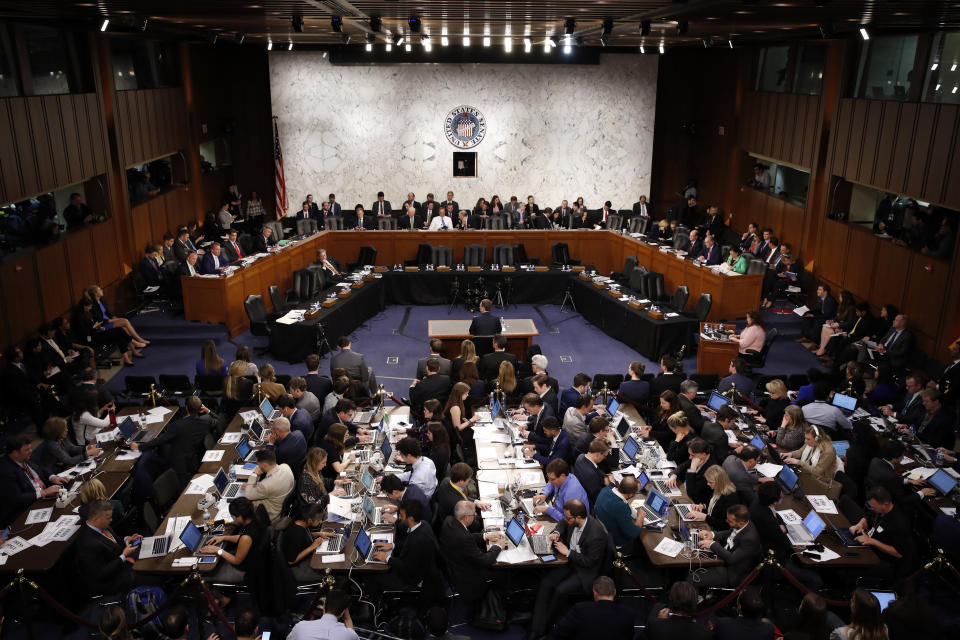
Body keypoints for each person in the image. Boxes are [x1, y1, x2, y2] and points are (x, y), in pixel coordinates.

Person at [529, 500, 609, 639]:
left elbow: (589, 562)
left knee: (560, 591)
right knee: (546, 583)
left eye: (568, 518)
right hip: (570, 561)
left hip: (584, 571)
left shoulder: (596, 535)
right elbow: (562, 523)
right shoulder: (574, 520)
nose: (566, 520)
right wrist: (557, 533)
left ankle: (546, 628)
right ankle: (537, 628)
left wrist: (568, 552)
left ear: (578, 517)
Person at [129, 396, 218, 485]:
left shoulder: (177, 425)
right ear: (200, 408)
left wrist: (139, 446)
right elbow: (217, 419)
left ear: (186, 407)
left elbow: (160, 440)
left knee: (151, 455)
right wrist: (207, 410)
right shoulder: (206, 420)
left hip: (178, 464)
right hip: (193, 459)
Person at [201, 497, 270, 601]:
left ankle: (223, 599)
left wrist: (217, 550)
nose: (233, 519)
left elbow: (236, 560)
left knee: (205, 574)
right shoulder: (255, 519)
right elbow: (242, 538)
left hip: (249, 567)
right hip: (260, 559)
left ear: (240, 516)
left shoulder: (246, 538)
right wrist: (224, 537)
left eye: (233, 516)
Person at [439, 500, 504, 607]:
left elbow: (465, 537)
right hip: (468, 576)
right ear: (466, 518)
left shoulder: (449, 520)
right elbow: (484, 561)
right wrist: (498, 546)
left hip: (454, 565)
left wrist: (485, 536)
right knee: (501, 571)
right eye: (474, 515)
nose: (475, 517)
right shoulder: (464, 539)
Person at [370, 499, 440, 595]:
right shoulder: (423, 524)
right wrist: (393, 545)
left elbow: (406, 568)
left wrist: (387, 558)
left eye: (402, 516)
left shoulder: (417, 541)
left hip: (411, 579)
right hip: (416, 567)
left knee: (374, 576)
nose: (399, 518)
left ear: (410, 518)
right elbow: (407, 542)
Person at [847, 486, 916, 580]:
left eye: (873, 507)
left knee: (848, 569)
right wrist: (861, 524)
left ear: (885, 504)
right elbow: (868, 515)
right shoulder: (879, 509)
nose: (871, 508)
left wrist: (872, 541)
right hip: (870, 547)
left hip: (885, 561)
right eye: (869, 506)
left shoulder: (900, 523)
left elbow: (898, 553)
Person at [76, 500, 140, 596]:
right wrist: (123, 555)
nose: (111, 520)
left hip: (121, 564)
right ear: (96, 519)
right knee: (148, 575)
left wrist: (128, 538)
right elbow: (101, 574)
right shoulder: (88, 544)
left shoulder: (102, 525)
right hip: (112, 581)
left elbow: (114, 540)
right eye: (108, 518)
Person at [0, 434, 67, 525]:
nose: (31, 451)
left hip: (46, 493)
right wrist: (44, 492)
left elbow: (41, 468)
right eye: (27, 450)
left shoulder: (24, 457)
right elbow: (16, 498)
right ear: (15, 453)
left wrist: (53, 477)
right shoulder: (6, 471)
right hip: (28, 507)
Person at [694, 504, 762, 588]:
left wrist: (712, 544)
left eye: (730, 521)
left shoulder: (749, 539)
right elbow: (729, 533)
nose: (726, 521)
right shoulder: (742, 524)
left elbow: (731, 559)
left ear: (740, 523)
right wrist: (712, 534)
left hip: (731, 571)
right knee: (692, 564)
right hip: (722, 557)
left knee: (693, 579)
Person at [548, 576, 634, 640]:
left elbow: (557, 633)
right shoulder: (628, 614)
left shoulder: (580, 609)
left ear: (594, 593)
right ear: (614, 592)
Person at [282, 503, 336, 582]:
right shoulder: (296, 534)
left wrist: (319, 534)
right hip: (298, 568)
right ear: (310, 520)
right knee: (333, 571)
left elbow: (305, 537)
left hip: (305, 556)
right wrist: (313, 547)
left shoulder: (300, 522)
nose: (321, 522)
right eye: (318, 520)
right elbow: (291, 561)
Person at [782, 425, 840, 498]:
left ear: (817, 438)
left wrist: (799, 462)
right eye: (805, 438)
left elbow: (817, 472)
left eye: (808, 439)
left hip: (819, 481)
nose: (805, 441)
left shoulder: (828, 451)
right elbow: (800, 451)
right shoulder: (810, 442)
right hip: (807, 474)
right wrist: (791, 454)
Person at [644, 581, 712, 640]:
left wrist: (659, 623)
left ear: (670, 599)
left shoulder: (654, 627)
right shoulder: (705, 633)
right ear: (695, 602)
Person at [85, 285, 149, 347]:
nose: (102, 290)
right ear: (95, 293)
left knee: (124, 327)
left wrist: (115, 318)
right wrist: (116, 320)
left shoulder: (102, 300)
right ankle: (139, 340)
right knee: (125, 321)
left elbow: (108, 313)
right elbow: (100, 320)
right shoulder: (93, 305)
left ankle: (132, 344)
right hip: (103, 325)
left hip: (109, 321)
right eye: (99, 289)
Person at [243, 448, 295, 524]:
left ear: (264, 465)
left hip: (271, 514)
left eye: (258, 464)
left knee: (242, 504)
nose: (257, 466)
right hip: (281, 504)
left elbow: (248, 495)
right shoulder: (286, 466)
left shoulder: (265, 485)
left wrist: (255, 474)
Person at [31, 416, 98, 473]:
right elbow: (69, 461)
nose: (67, 430)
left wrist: (87, 448)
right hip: (57, 472)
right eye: (64, 429)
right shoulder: (52, 445)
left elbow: (72, 448)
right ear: (57, 432)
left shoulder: (61, 437)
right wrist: (88, 453)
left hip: (64, 466)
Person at [592, 476, 644, 548]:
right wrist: (640, 516)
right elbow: (633, 533)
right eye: (636, 492)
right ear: (631, 494)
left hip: (603, 531)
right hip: (618, 541)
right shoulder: (620, 507)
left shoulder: (605, 489)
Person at [685, 465, 743, 530]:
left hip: (716, 531)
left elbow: (725, 524)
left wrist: (704, 517)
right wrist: (703, 506)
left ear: (719, 482)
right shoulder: (718, 489)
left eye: (710, 482)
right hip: (708, 524)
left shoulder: (731, 498)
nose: (708, 484)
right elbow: (713, 505)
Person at [288, 589, 358, 640]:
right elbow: (352, 635)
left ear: (323, 606)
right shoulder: (349, 635)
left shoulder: (300, 626)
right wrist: (347, 618)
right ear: (343, 613)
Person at [572, 439, 611, 506]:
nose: (604, 458)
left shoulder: (581, 457)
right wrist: (610, 486)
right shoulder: (592, 476)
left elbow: (596, 468)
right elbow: (599, 498)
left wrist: (604, 476)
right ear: (598, 454)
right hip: (590, 503)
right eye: (605, 456)